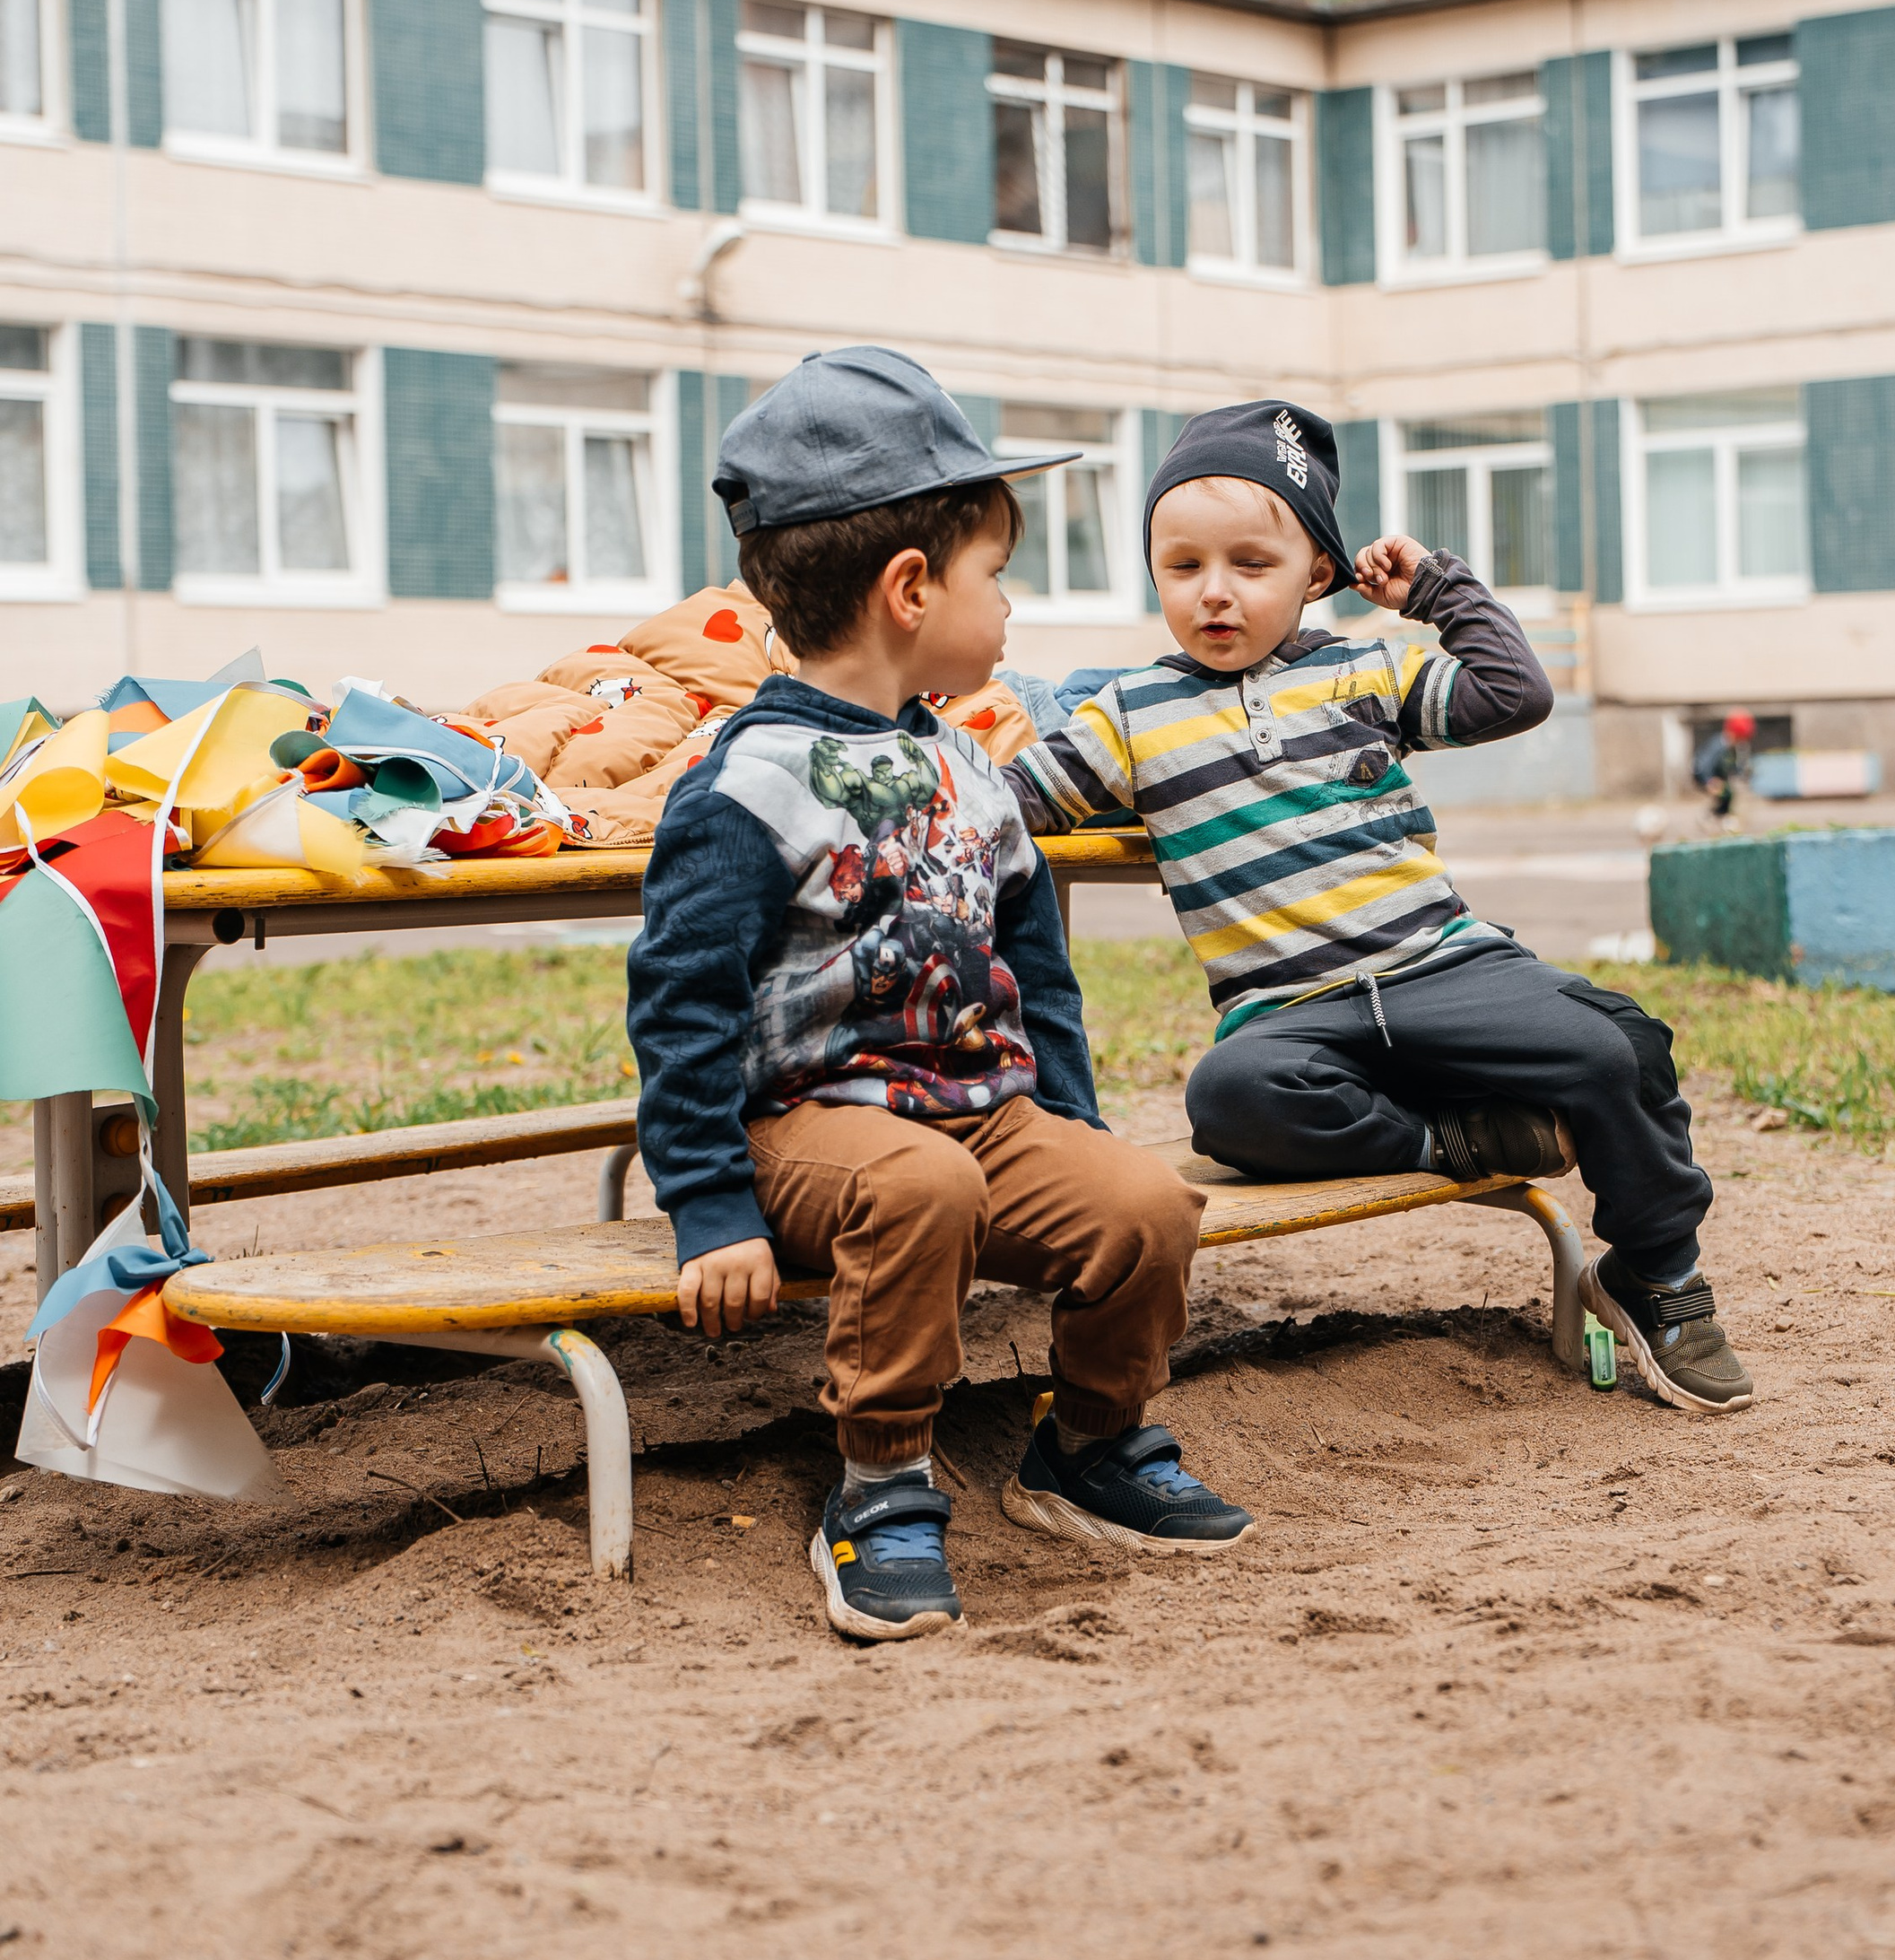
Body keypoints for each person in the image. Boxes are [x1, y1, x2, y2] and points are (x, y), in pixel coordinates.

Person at [625, 347, 1247, 1647]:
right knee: (922, 1186)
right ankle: (883, 1482)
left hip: (980, 1118)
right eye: (995, 575)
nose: (1008, 606)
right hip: (811, 1129)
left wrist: (1072, 1128)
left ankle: (1090, 1446)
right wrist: (710, 1211)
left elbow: (1036, 970)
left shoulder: (967, 766)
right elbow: (681, 1008)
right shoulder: (747, 786)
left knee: (1143, 1205)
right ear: (911, 589)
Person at [1005, 400, 1750, 1416]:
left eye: (1250, 565)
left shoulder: (1365, 670)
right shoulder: (1130, 714)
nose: (1214, 591)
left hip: (1445, 970)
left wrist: (1436, 591)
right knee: (1230, 1094)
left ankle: (1655, 1274)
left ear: (1317, 571)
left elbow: (1513, 694)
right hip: (1291, 1014)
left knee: (1619, 1050)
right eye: (1182, 567)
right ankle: (1453, 1142)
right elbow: (1013, 798)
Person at [1693, 709, 1758, 821]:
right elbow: (1703, 764)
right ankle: (1712, 817)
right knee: (1725, 793)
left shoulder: (1732, 748)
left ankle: (1722, 816)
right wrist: (1708, 780)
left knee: (1730, 793)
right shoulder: (1718, 744)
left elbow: (1733, 766)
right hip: (1707, 777)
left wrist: (1743, 772)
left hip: (1721, 778)